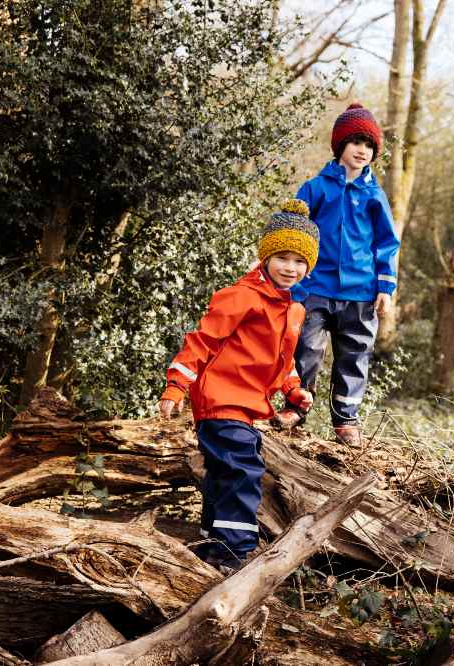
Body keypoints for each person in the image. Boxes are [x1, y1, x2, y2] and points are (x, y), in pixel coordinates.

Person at [157, 199, 318, 573]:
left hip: (245, 407)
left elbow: (282, 363)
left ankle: (212, 546)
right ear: (265, 257)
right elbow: (202, 340)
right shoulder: (242, 296)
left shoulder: (293, 310)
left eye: (299, 261)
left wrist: (294, 390)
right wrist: (176, 385)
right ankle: (236, 552)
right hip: (221, 401)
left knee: (224, 474)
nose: (290, 267)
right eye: (282, 257)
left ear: (308, 266)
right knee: (244, 471)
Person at [273, 103, 400, 446]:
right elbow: (294, 230)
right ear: (340, 146)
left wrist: (385, 286)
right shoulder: (316, 189)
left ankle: (346, 418)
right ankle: (295, 407)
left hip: (360, 292)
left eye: (369, 145)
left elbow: (387, 242)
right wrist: (285, 273)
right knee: (305, 348)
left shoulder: (374, 195)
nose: (362, 150)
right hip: (315, 286)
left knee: (354, 354)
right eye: (355, 142)